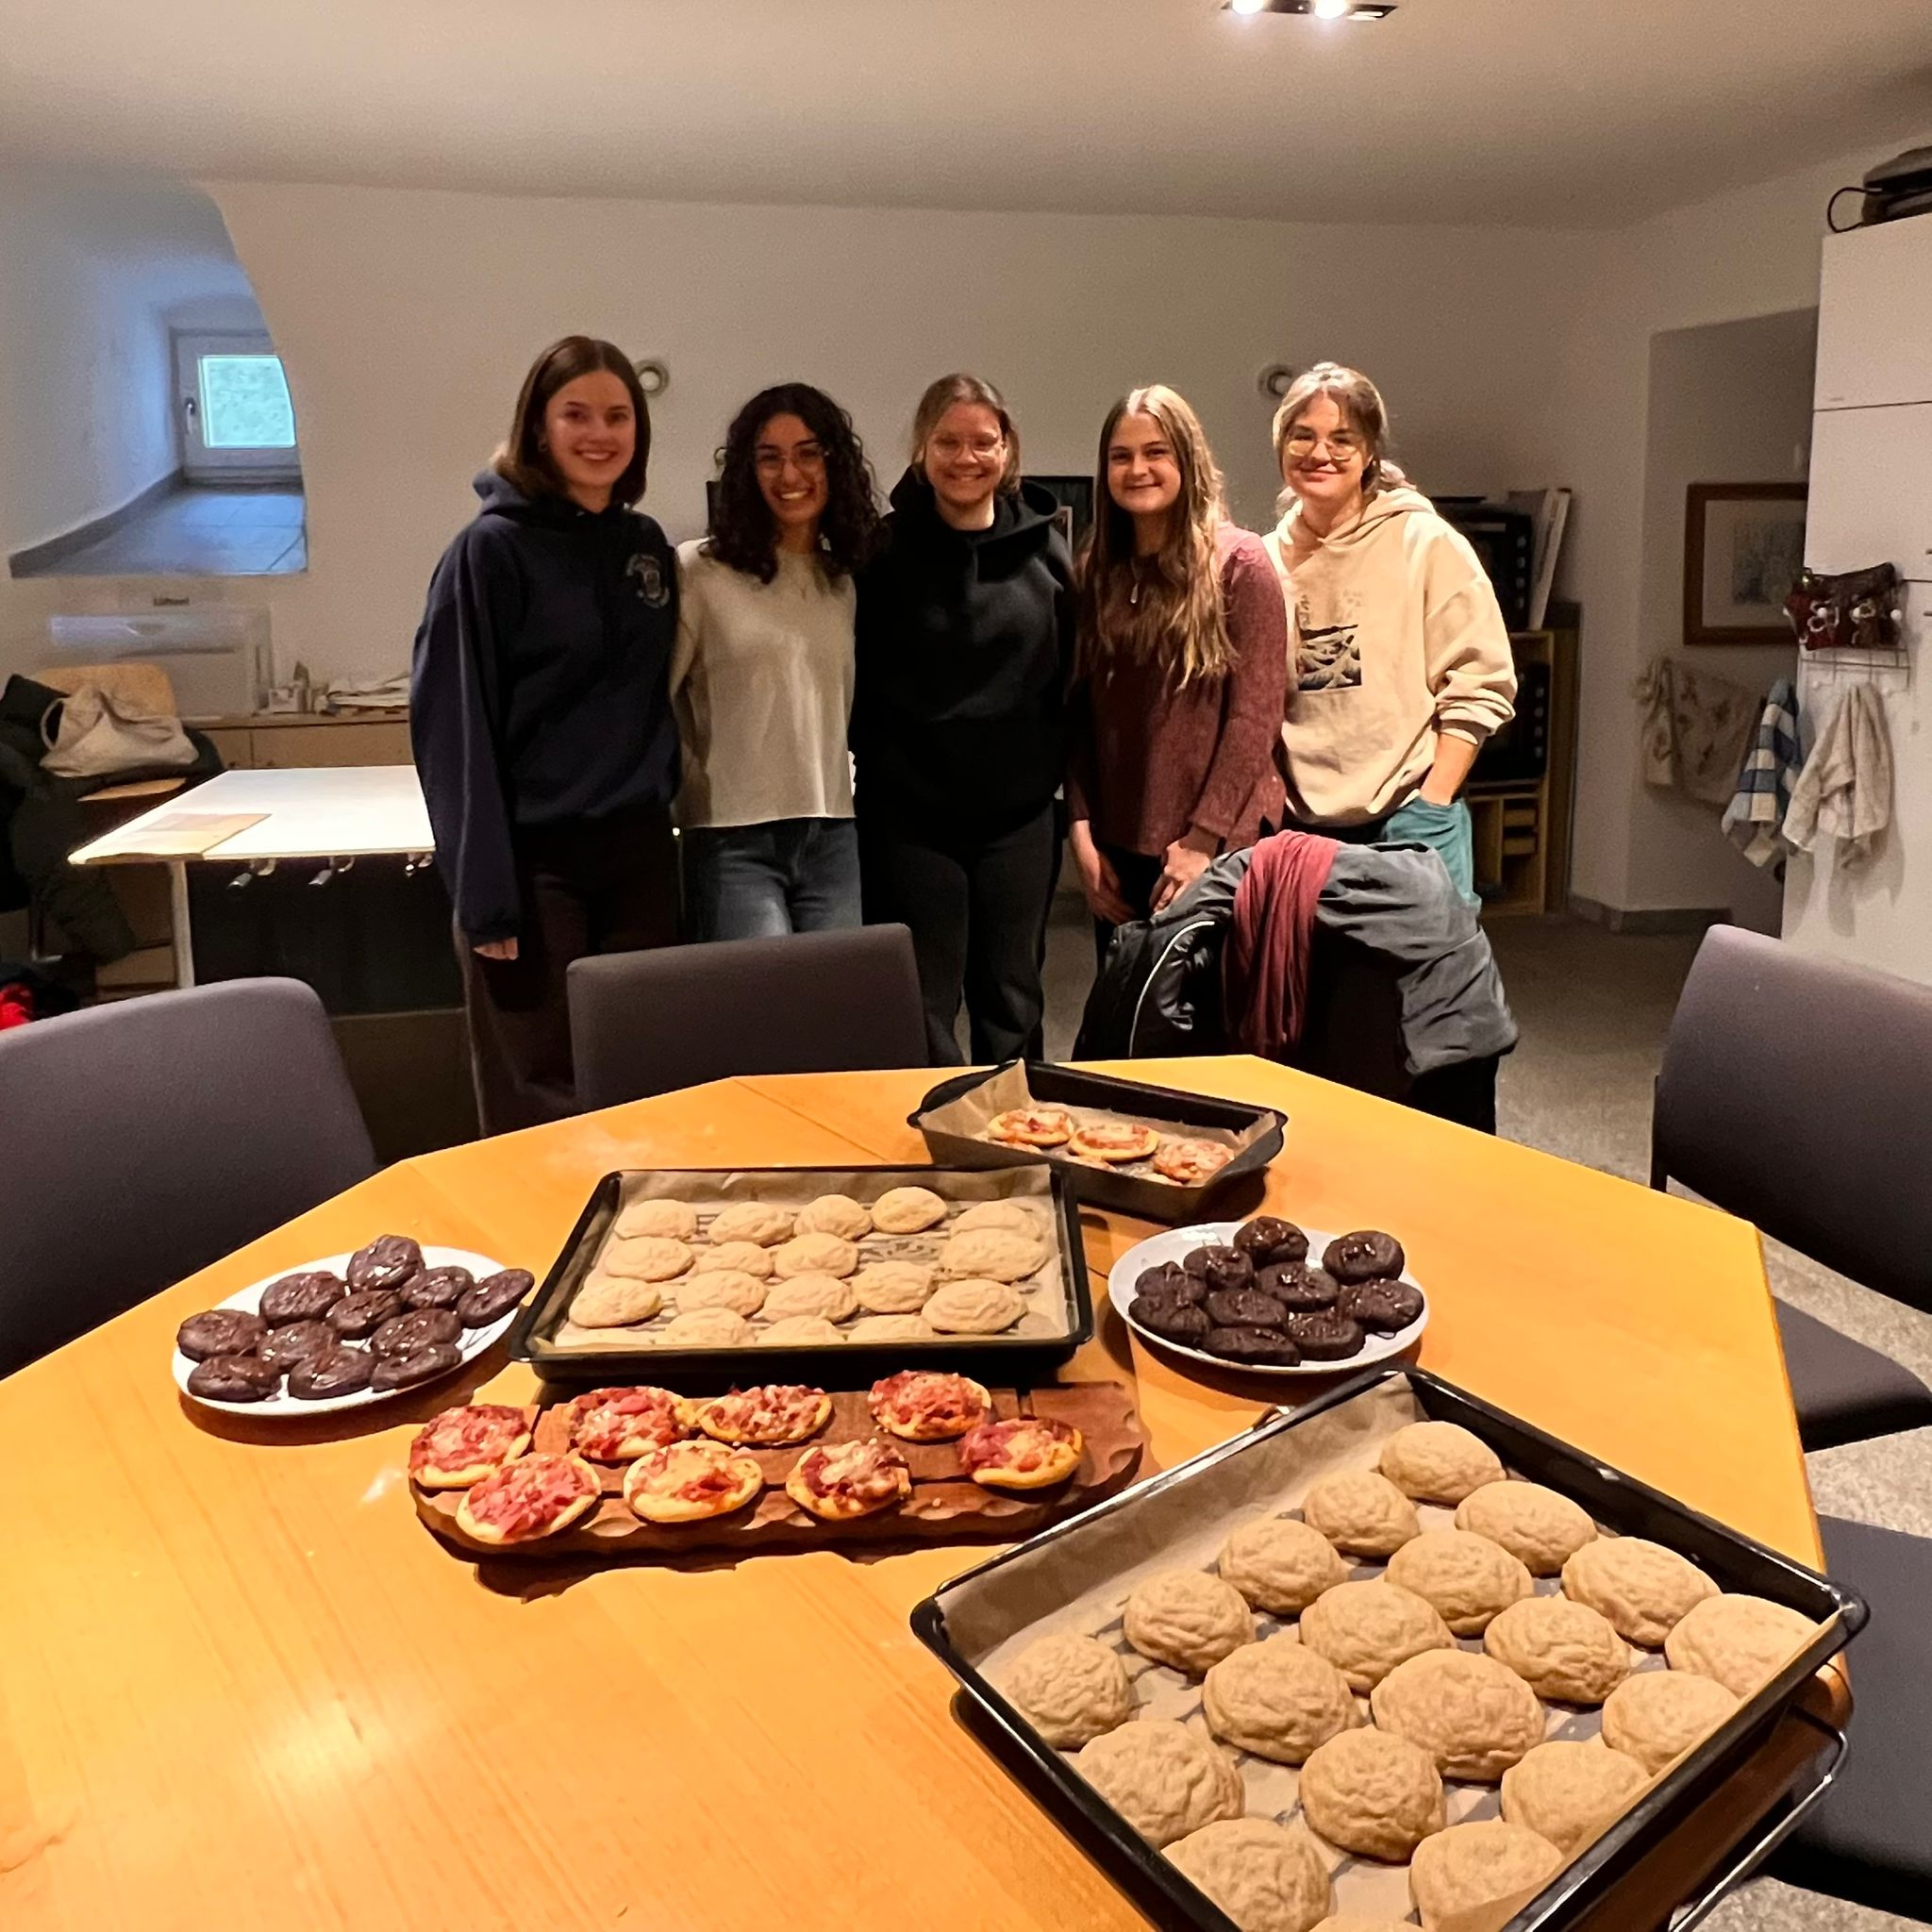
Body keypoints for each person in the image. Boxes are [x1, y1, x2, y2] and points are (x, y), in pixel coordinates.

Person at [410, 335, 678, 1135]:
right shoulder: (488, 553)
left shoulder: (644, 546)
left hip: (637, 857)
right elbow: (453, 730)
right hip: (534, 869)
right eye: (577, 414)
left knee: (644, 1076)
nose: (600, 433)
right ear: (538, 425)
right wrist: (485, 899)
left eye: (618, 416)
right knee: (542, 1091)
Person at [851, 373, 1074, 1066]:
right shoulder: (881, 553)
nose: (965, 457)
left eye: (983, 442)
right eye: (948, 441)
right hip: (910, 820)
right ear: (921, 448)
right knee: (924, 1000)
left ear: (1007, 451)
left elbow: (1068, 682)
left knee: (1012, 996)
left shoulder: (1047, 551)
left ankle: (1021, 1144)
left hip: (1019, 820)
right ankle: (934, 1150)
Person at [1263, 361, 1515, 903]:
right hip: (1300, 828)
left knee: (1423, 987)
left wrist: (1434, 801)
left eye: (1341, 438)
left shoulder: (1424, 543)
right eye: (1302, 436)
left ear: (1370, 451)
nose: (1319, 453)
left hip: (1410, 821)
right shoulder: (1265, 561)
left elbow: (1481, 679)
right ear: (1281, 446)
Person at [1067, 384, 1287, 955]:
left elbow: (1255, 718)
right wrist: (1082, 835)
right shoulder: (1095, 571)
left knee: (1204, 1029)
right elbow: (1079, 717)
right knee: (1126, 1020)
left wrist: (1202, 840)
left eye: (1156, 452)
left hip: (1217, 847)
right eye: (1122, 456)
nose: (1138, 468)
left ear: (1187, 459)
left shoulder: (1240, 563)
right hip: (1119, 846)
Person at [674, 383, 877, 940]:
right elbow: (653, 704)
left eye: (808, 453)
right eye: (770, 458)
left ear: (834, 462)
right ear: (745, 471)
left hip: (833, 833)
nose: (791, 475)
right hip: (731, 840)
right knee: (762, 1017)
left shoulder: (842, 580)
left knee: (832, 1012)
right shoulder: (699, 571)